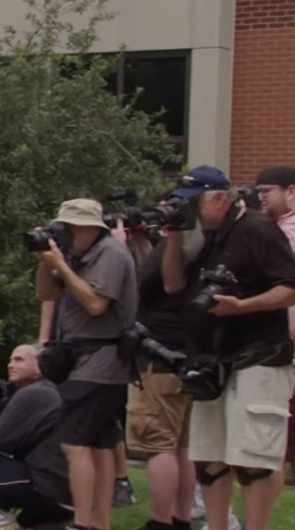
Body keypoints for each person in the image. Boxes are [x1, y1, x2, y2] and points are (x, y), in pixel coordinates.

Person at [160, 164, 295, 530]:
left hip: (259, 358)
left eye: (193, 202)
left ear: (220, 197)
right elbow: (173, 285)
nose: (187, 210)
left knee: (252, 462)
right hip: (212, 362)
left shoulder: (257, 229)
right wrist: (173, 235)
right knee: (209, 459)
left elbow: (290, 286)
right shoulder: (208, 235)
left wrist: (242, 306)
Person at [34, 198, 137, 530]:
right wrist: (45, 260)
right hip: (82, 357)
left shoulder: (110, 254)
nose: (64, 234)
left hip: (102, 359)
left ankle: (82, 521)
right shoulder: (75, 255)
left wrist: (62, 266)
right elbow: (46, 294)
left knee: (74, 442)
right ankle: (99, 522)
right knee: (100, 443)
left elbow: (96, 304)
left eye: (69, 228)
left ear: (90, 228)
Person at [121, 214, 202, 530]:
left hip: (158, 357)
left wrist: (121, 244)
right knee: (181, 444)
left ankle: (160, 521)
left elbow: (140, 285)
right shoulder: (199, 249)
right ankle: (181, 518)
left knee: (158, 445)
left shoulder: (175, 244)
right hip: (187, 354)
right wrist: (144, 242)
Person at [0, 344, 72, 530]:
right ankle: (43, 521)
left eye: (19, 360)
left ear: (39, 367)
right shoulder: (52, 389)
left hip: (47, 485)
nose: (10, 365)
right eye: (11, 360)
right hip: (66, 486)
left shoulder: (34, 393)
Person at [254, 165, 295, 486]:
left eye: (267, 191)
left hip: (286, 347)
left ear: (291, 191)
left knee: (274, 441)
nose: (260, 198)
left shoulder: (289, 232)